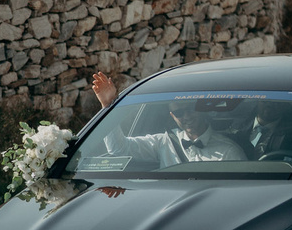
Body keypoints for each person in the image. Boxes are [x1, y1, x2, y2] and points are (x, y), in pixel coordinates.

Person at [91, 71, 246, 166]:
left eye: (189, 110)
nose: (186, 116)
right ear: (172, 116)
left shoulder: (229, 151)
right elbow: (119, 149)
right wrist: (107, 106)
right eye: (179, 113)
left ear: (201, 109)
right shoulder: (164, 142)